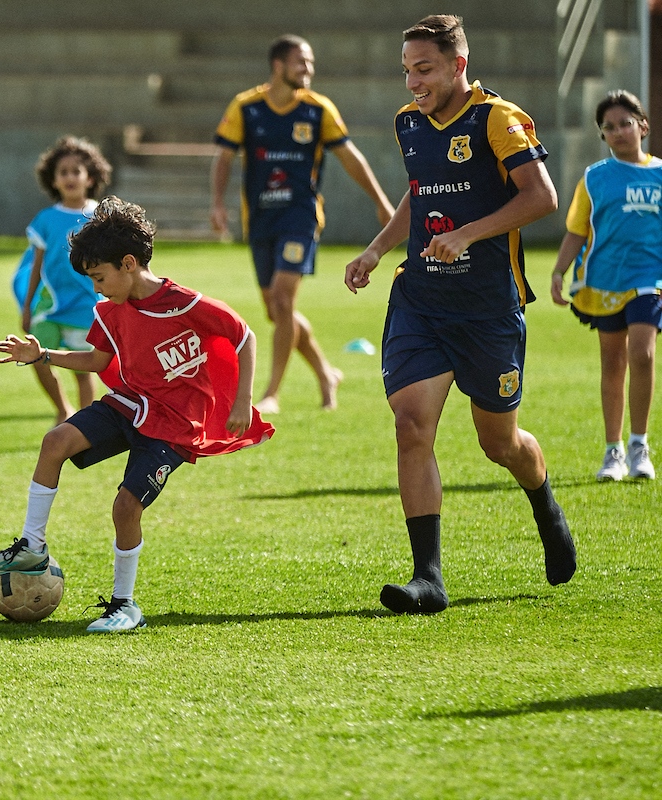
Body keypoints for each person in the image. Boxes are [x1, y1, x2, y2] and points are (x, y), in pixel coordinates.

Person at [343, 14, 575, 614]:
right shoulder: (408, 123)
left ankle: (544, 502)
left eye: (424, 69)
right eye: (406, 71)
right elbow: (420, 192)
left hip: (488, 307)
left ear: (457, 66)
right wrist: (377, 247)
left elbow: (542, 198)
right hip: (422, 298)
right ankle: (429, 578)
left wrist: (469, 234)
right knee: (411, 425)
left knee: (499, 442)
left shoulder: (498, 119)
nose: (412, 83)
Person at [0, 197, 275, 632]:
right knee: (55, 441)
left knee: (125, 507)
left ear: (128, 263)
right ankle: (31, 546)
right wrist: (42, 356)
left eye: (99, 276)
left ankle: (124, 604)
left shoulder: (186, 304)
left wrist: (243, 401)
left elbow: (244, 337)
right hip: (128, 404)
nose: (96, 288)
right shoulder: (110, 312)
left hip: (173, 426)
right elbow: (96, 362)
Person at [211, 34, 394, 415]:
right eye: (301, 62)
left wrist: (380, 201)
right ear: (278, 66)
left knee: (282, 299)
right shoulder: (246, 107)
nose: (308, 70)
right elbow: (224, 157)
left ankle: (272, 393)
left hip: (301, 218)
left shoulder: (317, 109)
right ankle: (326, 373)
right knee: (278, 311)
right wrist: (217, 204)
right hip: (260, 219)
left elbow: (350, 156)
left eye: (310, 63)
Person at [551, 90, 660, 482]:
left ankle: (639, 444)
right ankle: (613, 451)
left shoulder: (661, 174)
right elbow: (577, 232)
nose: (618, 132)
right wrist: (559, 272)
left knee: (643, 355)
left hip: (650, 279)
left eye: (625, 124)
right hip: (604, 280)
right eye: (608, 128)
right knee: (613, 363)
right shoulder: (595, 178)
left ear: (642, 127)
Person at [12, 136, 111, 424]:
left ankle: (83, 423)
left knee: (84, 371)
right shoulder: (45, 219)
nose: (70, 177)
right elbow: (35, 266)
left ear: (89, 177)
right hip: (50, 306)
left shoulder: (99, 216)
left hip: (87, 307)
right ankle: (62, 408)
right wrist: (27, 306)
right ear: (53, 180)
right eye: (63, 172)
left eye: (76, 171)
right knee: (35, 356)